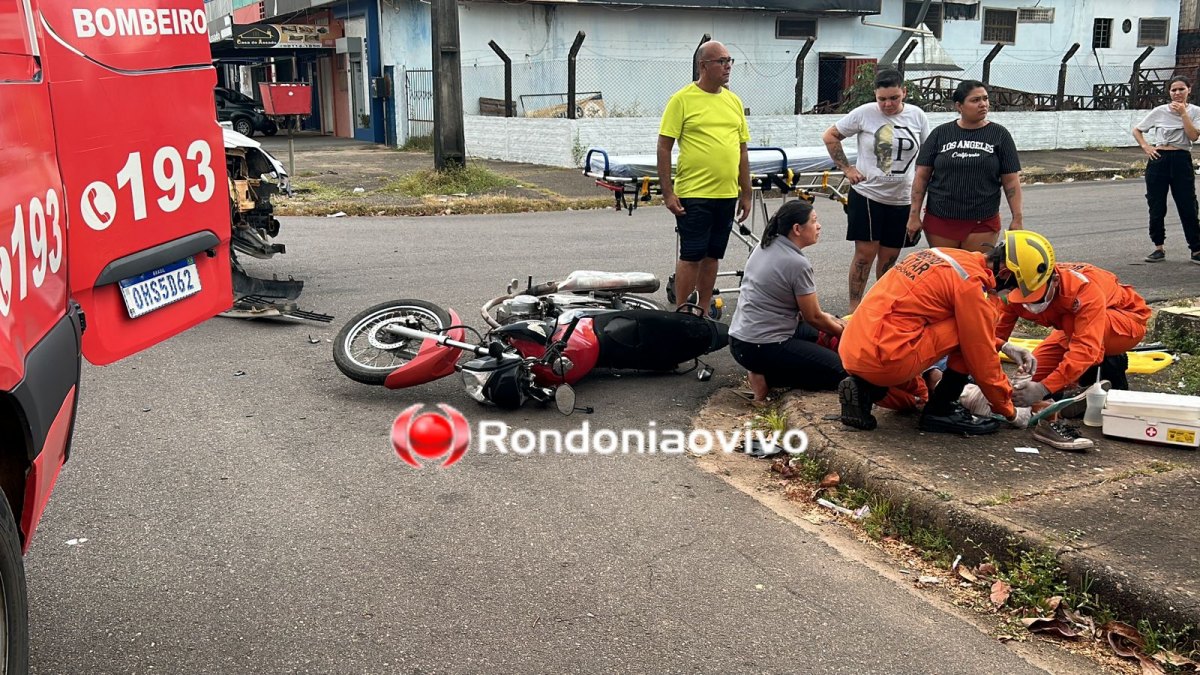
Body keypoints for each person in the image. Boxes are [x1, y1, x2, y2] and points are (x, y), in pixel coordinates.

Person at [836, 231, 1043, 434]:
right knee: (968, 334)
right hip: (887, 357)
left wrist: (1004, 346)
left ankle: (867, 390)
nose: (1009, 294)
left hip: (853, 348)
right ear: (1006, 273)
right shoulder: (970, 284)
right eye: (1014, 287)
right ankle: (941, 409)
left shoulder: (940, 255)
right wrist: (1010, 410)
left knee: (919, 395)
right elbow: (980, 354)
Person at [728, 200, 921, 412]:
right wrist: (849, 333)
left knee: (826, 333)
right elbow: (814, 318)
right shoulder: (796, 263)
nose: (818, 226)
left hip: (741, 341)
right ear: (797, 229)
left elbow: (808, 316)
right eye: (814, 221)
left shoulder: (766, 245)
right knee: (844, 371)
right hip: (762, 346)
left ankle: (767, 372)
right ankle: (911, 402)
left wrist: (838, 325)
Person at [994, 241, 1151, 448]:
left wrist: (1043, 388)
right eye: (1024, 299)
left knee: (1079, 349)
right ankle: (1070, 396)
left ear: (1054, 281)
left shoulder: (1084, 289)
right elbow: (994, 336)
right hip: (1072, 330)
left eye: (1035, 298)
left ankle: (1087, 378)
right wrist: (1003, 351)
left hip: (1124, 321)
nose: (1030, 305)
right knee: (1032, 374)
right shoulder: (1019, 288)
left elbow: (1085, 349)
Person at [822, 68, 930, 311]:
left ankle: (882, 308)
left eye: (894, 98)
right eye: (882, 99)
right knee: (864, 256)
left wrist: (918, 202)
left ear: (904, 92)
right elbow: (830, 136)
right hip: (868, 195)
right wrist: (847, 169)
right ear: (875, 96)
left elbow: (926, 157)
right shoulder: (864, 114)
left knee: (889, 260)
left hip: (901, 199)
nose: (888, 104)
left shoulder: (917, 116)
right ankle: (855, 309)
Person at [658, 40, 752, 314]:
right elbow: (664, 146)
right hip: (694, 193)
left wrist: (745, 192)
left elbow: (742, 150)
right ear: (703, 66)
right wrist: (668, 192)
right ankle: (683, 312)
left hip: (726, 194)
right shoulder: (682, 99)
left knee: (712, 256)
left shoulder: (733, 101)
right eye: (721, 61)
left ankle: (702, 307)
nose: (728, 66)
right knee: (692, 256)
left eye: (729, 60)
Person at [906, 80, 1023, 253]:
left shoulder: (1000, 135)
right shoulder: (940, 133)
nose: (983, 104)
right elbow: (921, 177)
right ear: (959, 106)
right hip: (941, 220)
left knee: (976, 272)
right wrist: (914, 215)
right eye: (975, 100)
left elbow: (1011, 182)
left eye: (985, 99)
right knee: (948, 273)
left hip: (982, 222)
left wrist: (1017, 218)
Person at [1132, 75, 1200, 264]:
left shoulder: (1195, 112)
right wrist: (1146, 146)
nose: (1177, 93)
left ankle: (1196, 249)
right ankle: (1158, 247)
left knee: (1187, 204)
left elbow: (1193, 136)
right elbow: (1137, 130)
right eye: (1173, 90)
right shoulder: (1159, 111)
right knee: (1156, 204)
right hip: (1159, 158)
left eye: (1181, 89)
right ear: (1169, 92)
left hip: (1181, 158)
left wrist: (1183, 114)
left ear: (1189, 90)